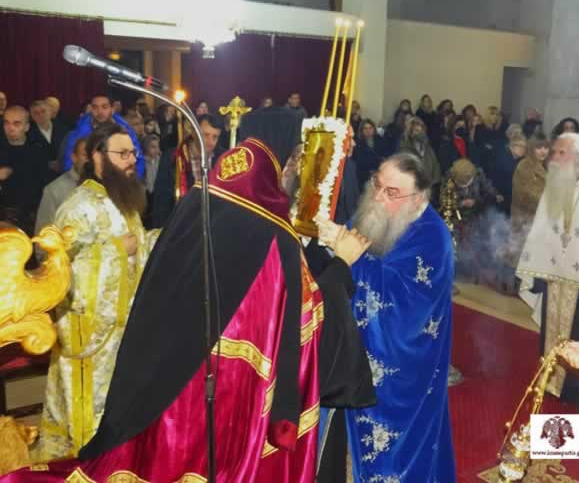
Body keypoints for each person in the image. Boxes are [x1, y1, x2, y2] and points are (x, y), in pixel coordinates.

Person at [1, 107, 373, 482]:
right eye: (293, 158)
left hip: (170, 377)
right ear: (280, 159)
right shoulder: (273, 232)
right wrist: (341, 265)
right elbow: (306, 317)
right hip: (227, 392)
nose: (295, 168)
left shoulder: (205, 199)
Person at [317, 153, 456, 482]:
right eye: (377, 184)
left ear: (418, 197)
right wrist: (329, 243)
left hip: (403, 372)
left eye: (391, 192)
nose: (378, 197)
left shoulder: (434, 239)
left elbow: (403, 309)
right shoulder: (372, 213)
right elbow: (349, 248)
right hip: (355, 356)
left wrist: (350, 256)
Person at [32, 124, 160, 461]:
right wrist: (116, 250)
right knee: (90, 420)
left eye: (133, 153)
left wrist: (164, 238)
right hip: (89, 336)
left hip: (124, 331)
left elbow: (137, 250)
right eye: (123, 153)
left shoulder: (124, 201)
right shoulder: (77, 207)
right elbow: (59, 270)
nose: (131, 160)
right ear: (97, 157)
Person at [517, 133, 579, 405]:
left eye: (561, 153)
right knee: (552, 331)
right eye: (554, 152)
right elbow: (542, 228)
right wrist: (537, 264)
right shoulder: (554, 185)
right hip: (555, 276)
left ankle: (577, 393)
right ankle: (550, 381)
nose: (554, 158)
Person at [152, 113, 224, 228]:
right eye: (205, 135)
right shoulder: (173, 157)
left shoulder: (222, 157)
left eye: (215, 137)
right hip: (180, 224)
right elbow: (161, 200)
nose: (210, 142)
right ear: (194, 132)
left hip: (212, 225)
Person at [61, 94, 144, 177]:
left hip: (119, 179)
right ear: (91, 109)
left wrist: (132, 180)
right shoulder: (80, 132)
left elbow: (138, 157)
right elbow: (70, 159)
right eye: (95, 107)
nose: (99, 111)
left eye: (104, 107)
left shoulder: (125, 129)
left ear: (112, 109)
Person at [0, 106, 47, 234]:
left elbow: (43, 185)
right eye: (6, 123)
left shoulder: (38, 150)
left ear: (26, 127)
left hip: (31, 215)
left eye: (16, 124)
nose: (10, 128)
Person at [34, 137, 88, 234]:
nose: (90, 160)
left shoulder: (108, 186)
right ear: (74, 157)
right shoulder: (54, 190)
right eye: (85, 155)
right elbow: (44, 233)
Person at [510, 133, 550, 262]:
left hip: (543, 219)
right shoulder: (524, 166)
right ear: (532, 149)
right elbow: (526, 194)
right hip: (526, 219)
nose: (543, 151)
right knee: (525, 259)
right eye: (539, 148)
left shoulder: (547, 165)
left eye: (546, 147)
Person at [29, 99, 70, 176]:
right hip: (40, 174)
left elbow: (70, 148)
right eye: (36, 113)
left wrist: (63, 162)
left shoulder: (64, 129)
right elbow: (29, 157)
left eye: (43, 111)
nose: (40, 115)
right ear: (32, 116)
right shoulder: (28, 134)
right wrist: (46, 164)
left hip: (64, 172)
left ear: (50, 112)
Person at [399, 116, 441, 186]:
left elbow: (436, 168)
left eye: (422, 130)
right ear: (410, 133)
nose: (420, 133)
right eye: (416, 131)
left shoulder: (429, 149)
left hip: (428, 186)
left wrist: (433, 184)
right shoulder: (405, 149)